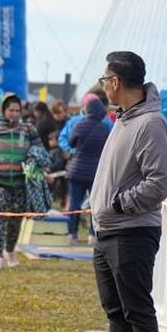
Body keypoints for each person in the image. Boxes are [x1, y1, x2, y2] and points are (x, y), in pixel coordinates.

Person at [72, 51, 167, 332]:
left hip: (131, 230)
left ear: (115, 82)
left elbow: (159, 181)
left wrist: (117, 204)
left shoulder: (150, 123)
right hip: (108, 231)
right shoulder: (124, 120)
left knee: (137, 310)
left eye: (104, 80)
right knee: (116, 310)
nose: (103, 86)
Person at [0, 94, 42, 270]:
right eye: (10, 110)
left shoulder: (28, 129)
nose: (14, 113)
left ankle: (10, 251)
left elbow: (40, 152)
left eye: (17, 110)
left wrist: (35, 163)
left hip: (20, 182)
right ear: (2, 110)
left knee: (16, 220)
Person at [65, 97, 110, 244]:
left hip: (77, 169)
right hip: (95, 172)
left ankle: (72, 234)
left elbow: (71, 142)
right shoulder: (105, 128)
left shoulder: (79, 124)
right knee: (95, 204)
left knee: (74, 203)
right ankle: (92, 235)